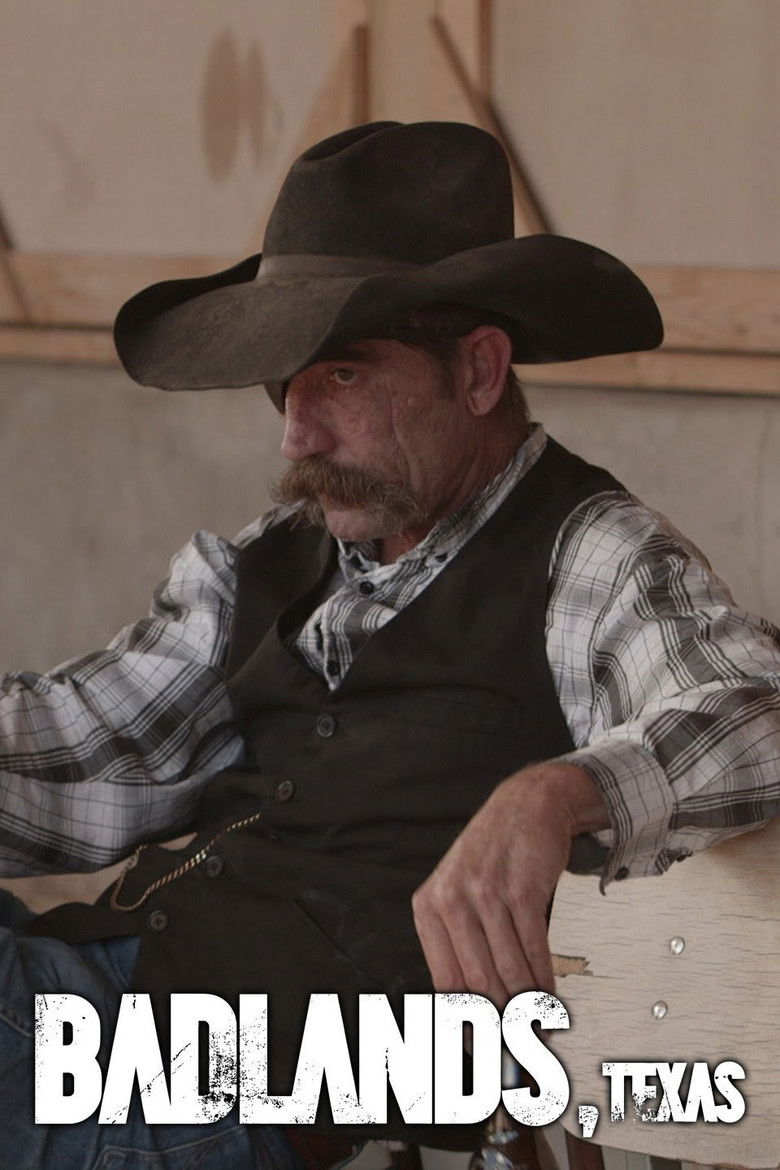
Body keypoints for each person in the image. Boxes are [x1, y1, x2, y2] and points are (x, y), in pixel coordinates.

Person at [1, 120, 779, 1170]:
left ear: (480, 371)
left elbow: (756, 710)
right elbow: (77, 745)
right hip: (95, 1003)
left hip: (215, 1087)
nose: (296, 433)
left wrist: (554, 795)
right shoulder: (272, 561)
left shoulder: (588, 557)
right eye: (285, 383)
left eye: (343, 376)